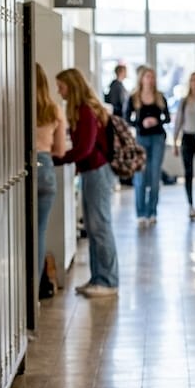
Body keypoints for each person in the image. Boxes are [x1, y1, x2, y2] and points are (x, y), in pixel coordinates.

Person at [54, 68, 120, 297]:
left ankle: (108, 281)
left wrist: (57, 159)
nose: (59, 92)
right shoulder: (82, 110)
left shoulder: (86, 111)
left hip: (97, 172)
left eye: (61, 87)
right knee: (93, 228)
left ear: (72, 87)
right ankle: (97, 278)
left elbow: (85, 148)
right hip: (91, 172)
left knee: (100, 226)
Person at [33, 62, 67, 300]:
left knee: (15, 234)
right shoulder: (54, 110)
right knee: (39, 233)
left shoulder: (14, 106)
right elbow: (60, 150)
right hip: (45, 168)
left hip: (19, 169)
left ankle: (19, 290)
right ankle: (34, 291)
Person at [124, 67, 170, 226]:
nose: (149, 80)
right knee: (140, 177)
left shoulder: (160, 96)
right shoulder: (134, 97)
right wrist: (140, 123)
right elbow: (126, 118)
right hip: (141, 138)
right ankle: (141, 212)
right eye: (147, 77)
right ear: (141, 79)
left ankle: (152, 211)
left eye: (152, 77)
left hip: (158, 137)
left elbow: (168, 117)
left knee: (155, 175)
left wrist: (157, 121)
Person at [174, 71, 195, 220]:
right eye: (192, 80)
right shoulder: (184, 101)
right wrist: (175, 141)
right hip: (187, 138)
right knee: (188, 173)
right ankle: (190, 204)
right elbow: (178, 122)